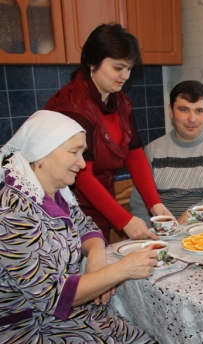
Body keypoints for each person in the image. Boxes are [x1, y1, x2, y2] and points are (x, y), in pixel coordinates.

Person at [0, 111, 173, 344]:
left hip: (67, 316)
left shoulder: (56, 194)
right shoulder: (13, 213)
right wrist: (122, 269)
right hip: (26, 331)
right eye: (74, 152)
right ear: (41, 155)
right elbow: (52, 297)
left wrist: (96, 255)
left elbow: (87, 228)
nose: (82, 164)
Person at [45, 23, 171, 240]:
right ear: (93, 62)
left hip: (101, 203)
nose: (125, 75)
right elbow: (82, 175)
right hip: (69, 209)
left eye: (129, 69)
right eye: (118, 67)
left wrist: (155, 204)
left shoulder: (120, 102)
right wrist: (125, 220)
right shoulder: (74, 106)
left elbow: (134, 155)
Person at [129, 80, 203, 225]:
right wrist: (150, 234)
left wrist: (197, 211)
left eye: (199, 111)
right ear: (171, 111)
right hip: (166, 234)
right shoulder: (152, 151)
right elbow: (139, 204)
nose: (192, 119)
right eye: (184, 110)